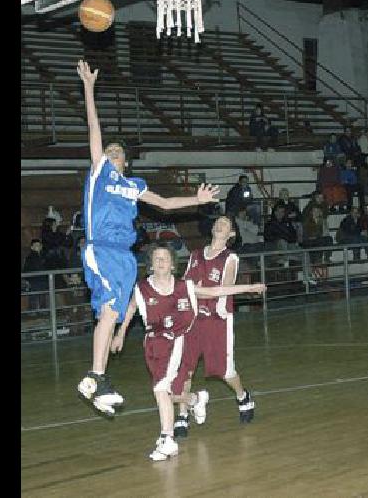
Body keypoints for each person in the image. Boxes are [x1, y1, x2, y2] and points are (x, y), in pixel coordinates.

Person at [75, 60, 220, 417]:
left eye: (116, 153)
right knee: (108, 311)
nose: (110, 155)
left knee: (110, 314)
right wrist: (89, 89)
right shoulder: (98, 174)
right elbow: (94, 126)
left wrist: (198, 200)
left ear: (125, 161)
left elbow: (166, 203)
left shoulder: (133, 186)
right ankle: (95, 376)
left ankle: (98, 378)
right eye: (107, 152)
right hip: (102, 248)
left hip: (125, 256)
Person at [110, 243, 265, 459]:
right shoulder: (142, 288)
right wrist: (120, 333)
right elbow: (131, 308)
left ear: (173, 264)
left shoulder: (185, 287)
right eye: (157, 258)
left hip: (177, 342)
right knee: (168, 393)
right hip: (153, 344)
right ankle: (194, 400)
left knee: (161, 389)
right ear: (150, 265)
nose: (161, 261)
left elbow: (214, 291)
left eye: (165, 258)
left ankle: (167, 439)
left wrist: (247, 288)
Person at [167, 217, 267, 437]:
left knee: (224, 371)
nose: (220, 225)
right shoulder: (194, 255)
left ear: (231, 234)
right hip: (192, 319)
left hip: (217, 319)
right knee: (186, 368)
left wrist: (201, 291)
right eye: (218, 222)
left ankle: (243, 396)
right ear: (212, 228)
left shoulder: (229, 257)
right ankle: (182, 415)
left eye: (226, 224)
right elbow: (184, 286)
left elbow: (226, 287)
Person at [301, 206, 334, 284]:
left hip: (318, 241)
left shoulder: (322, 221)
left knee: (328, 239)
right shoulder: (307, 222)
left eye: (318, 211)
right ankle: (318, 261)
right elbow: (305, 236)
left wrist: (324, 223)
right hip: (309, 242)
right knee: (319, 241)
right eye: (315, 211)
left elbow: (326, 234)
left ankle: (326, 257)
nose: (316, 213)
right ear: (311, 212)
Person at [23, 239, 48, 311]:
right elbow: (26, 270)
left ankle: (43, 310)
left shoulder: (44, 256)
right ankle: (32, 311)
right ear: (32, 247)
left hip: (43, 279)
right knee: (34, 296)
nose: (38, 247)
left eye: (39, 245)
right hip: (34, 280)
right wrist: (28, 280)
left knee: (43, 296)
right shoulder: (30, 257)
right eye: (36, 245)